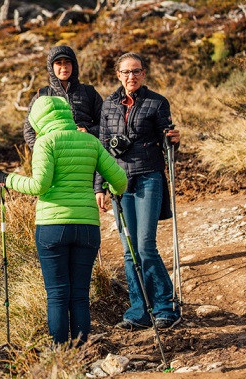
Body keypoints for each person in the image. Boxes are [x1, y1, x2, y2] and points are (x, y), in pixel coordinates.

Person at [0, 96, 127, 345]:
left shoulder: (46, 142)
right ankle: (81, 352)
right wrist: (107, 184)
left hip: (52, 227)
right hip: (87, 226)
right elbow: (120, 181)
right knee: (79, 295)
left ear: (37, 120)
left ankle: (60, 354)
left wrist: (7, 179)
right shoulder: (90, 141)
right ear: (66, 115)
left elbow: (40, 186)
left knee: (57, 295)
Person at [94, 52, 182, 331]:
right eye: (126, 72)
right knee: (130, 250)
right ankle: (137, 310)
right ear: (117, 75)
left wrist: (173, 142)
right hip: (119, 183)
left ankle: (165, 306)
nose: (131, 76)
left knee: (144, 245)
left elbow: (167, 145)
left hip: (148, 178)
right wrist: (99, 186)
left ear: (144, 74)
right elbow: (102, 148)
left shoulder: (157, 102)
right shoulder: (108, 105)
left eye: (136, 71)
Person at [23, 45, 104, 149]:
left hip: (86, 154)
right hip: (56, 157)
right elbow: (28, 129)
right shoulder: (42, 95)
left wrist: (89, 131)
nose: (64, 67)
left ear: (74, 65)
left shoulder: (89, 92)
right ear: (51, 67)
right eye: (58, 63)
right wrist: (42, 151)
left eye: (67, 62)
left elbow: (105, 124)